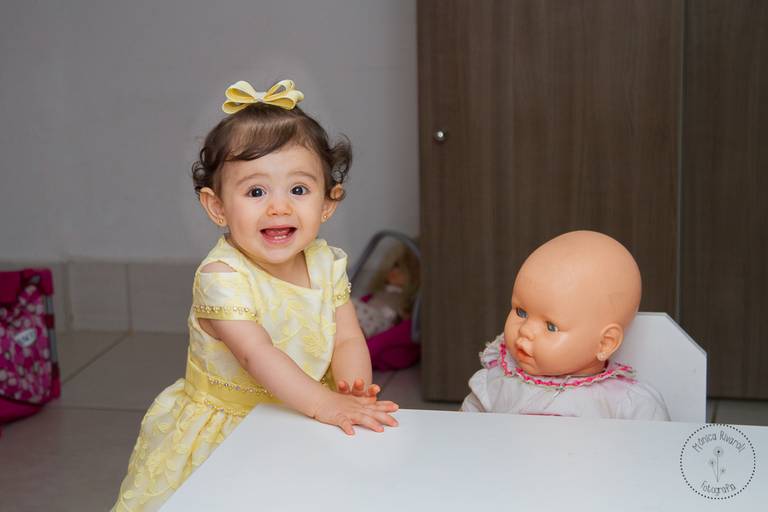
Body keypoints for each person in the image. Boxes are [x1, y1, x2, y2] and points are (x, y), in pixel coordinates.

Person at [112, 79, 399, 511]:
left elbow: (346, 337)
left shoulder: (325, 262)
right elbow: (257, 355)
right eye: (256, 191)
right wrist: (326, 404)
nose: (278, 207)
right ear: (218, 207)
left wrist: (351, 389)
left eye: (298, 190)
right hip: (232, 426)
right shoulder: (222, 275)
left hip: (303, 411)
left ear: (327, 202)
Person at [461, 230, 669, 420]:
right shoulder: (499, 381)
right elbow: (462, 436)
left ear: (604, 343)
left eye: (551, 326)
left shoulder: (626, 404)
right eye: (521, 312)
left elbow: (654, 452)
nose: (525, 330)